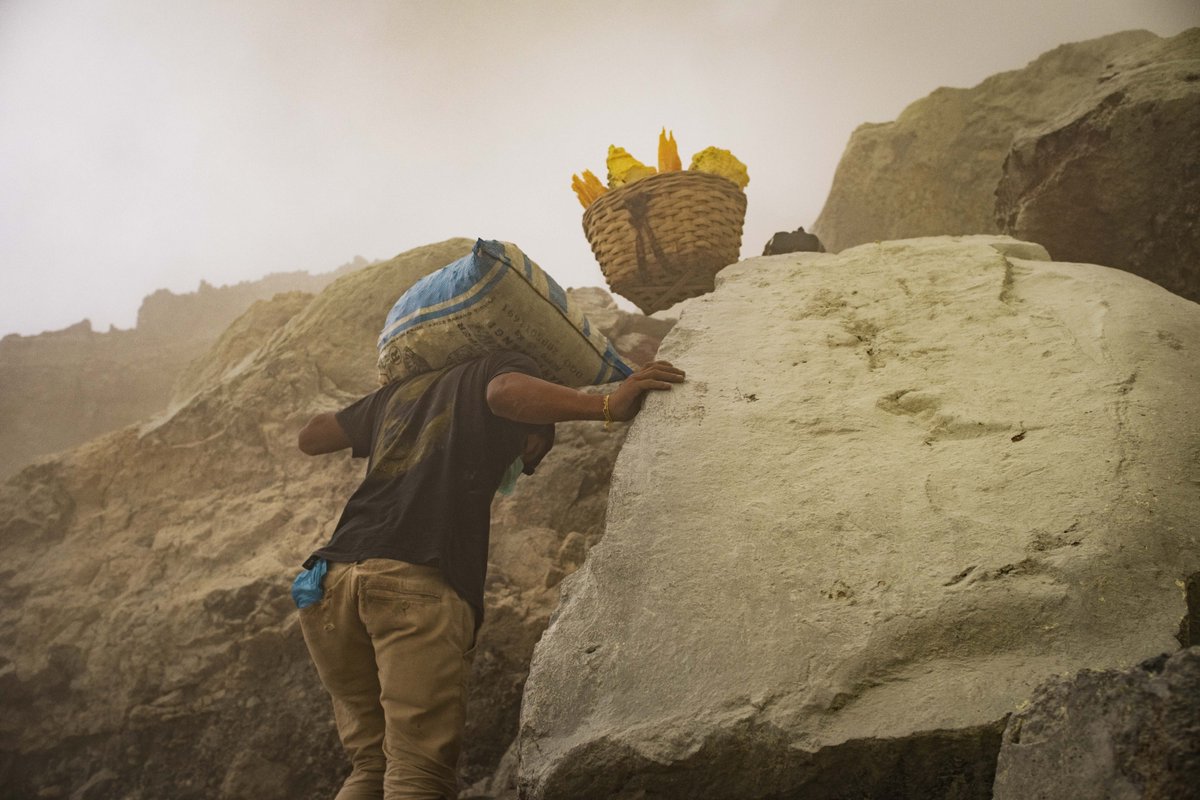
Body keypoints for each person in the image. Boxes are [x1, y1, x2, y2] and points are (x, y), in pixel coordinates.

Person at [294, 350, 685, 800]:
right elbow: (505, 394)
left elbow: (312, 436)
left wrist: (384, 407)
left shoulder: (399, 395)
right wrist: (606, 405)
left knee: (370, 766)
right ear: (532, 438)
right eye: (529, 457)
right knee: (418, 774)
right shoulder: (503, 365)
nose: (520, 467)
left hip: (329, 582)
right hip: (414, 577)